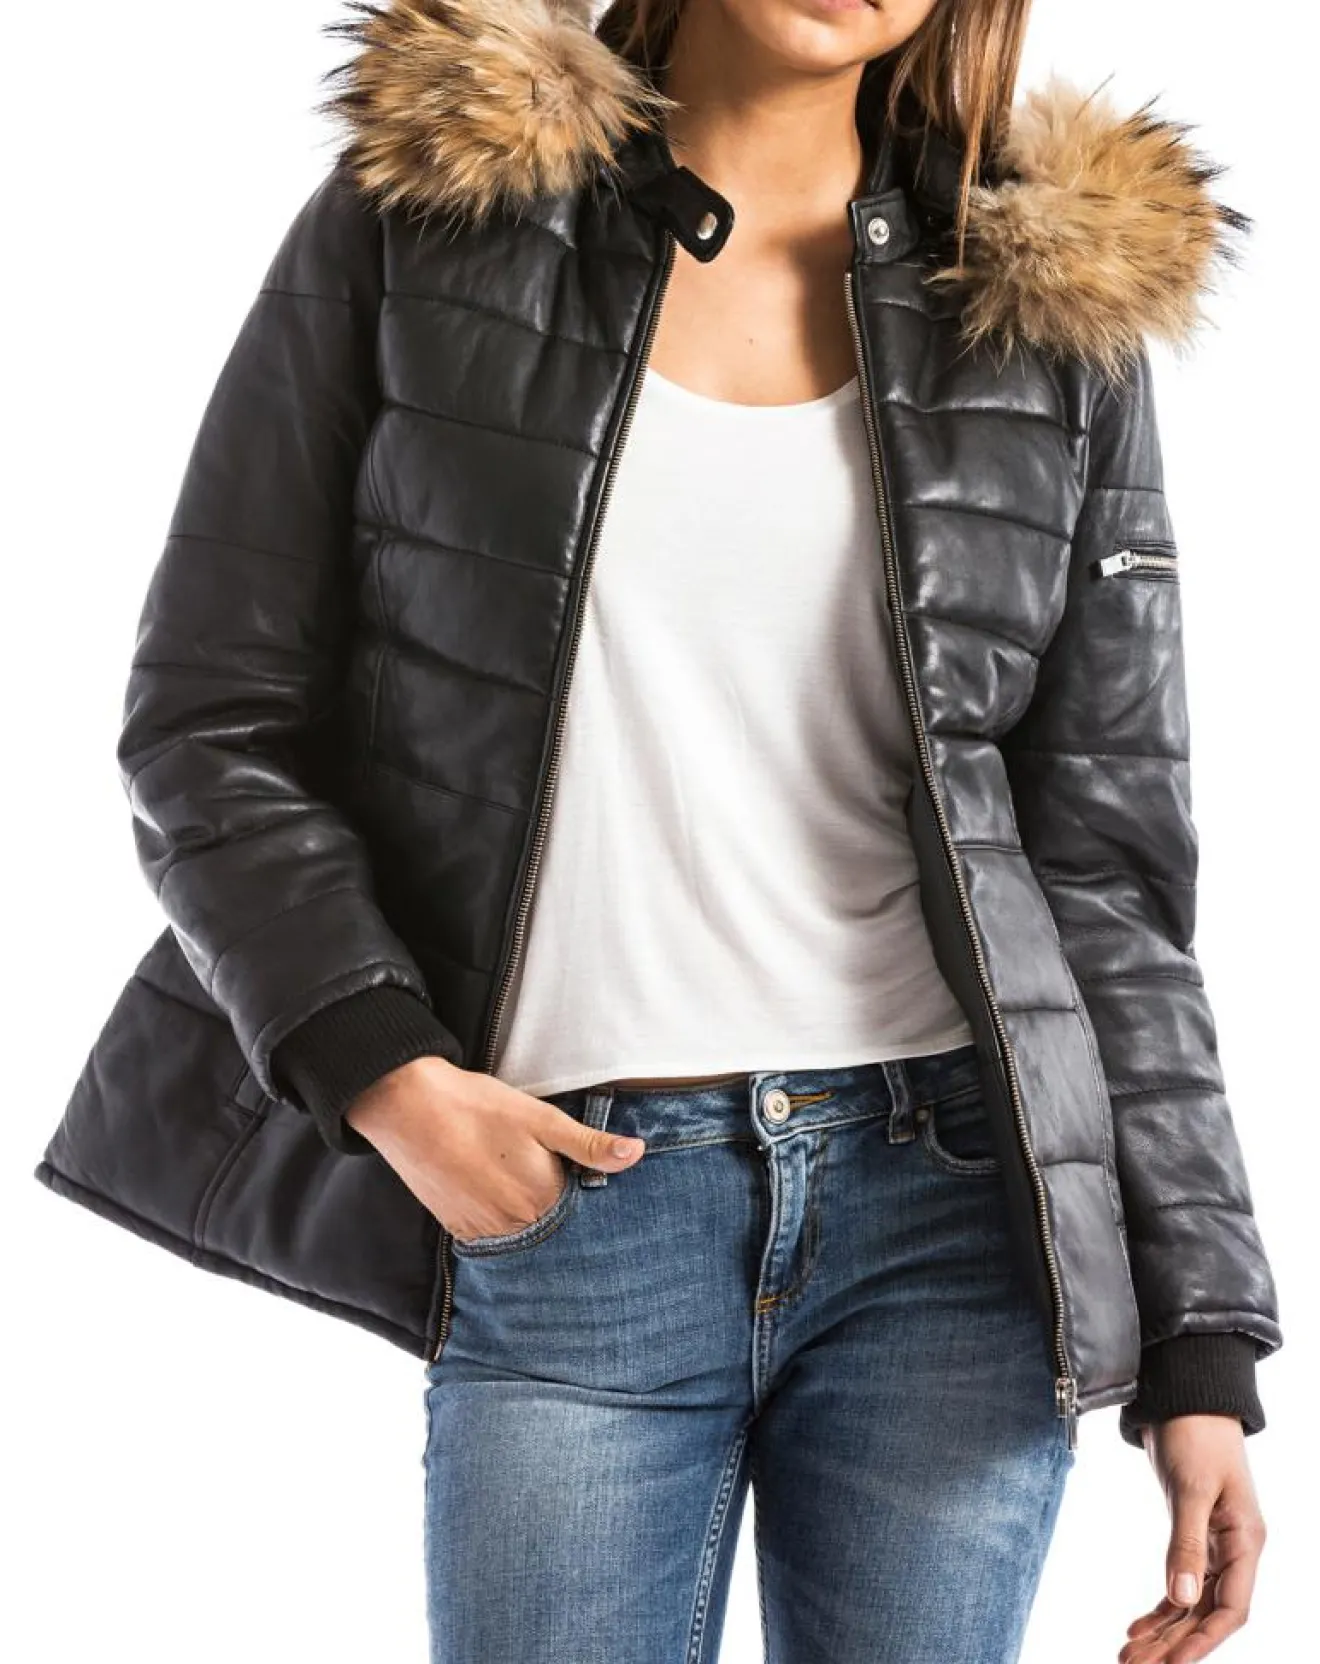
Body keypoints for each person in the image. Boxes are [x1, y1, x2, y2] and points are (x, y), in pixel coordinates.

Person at [33, 1, 1284, 1660]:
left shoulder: (1048, 307)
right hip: (580, 1197)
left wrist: (1202, 1345)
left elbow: (1107, 872)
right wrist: (383, 1069)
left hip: (956, 1226)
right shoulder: (435, 211)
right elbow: (209, 716)